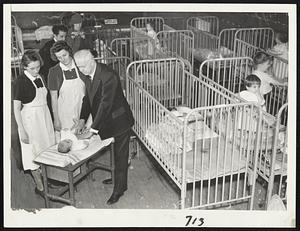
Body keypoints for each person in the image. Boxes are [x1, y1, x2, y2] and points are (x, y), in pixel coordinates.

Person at [72, 49, 134, 205]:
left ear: (93, 61)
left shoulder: (109, 75)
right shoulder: (87, 73)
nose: (81, 70)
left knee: (120, 157)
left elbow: (105, 105)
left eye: (83, 67)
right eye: (78, 67)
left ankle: (119, 190)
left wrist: (92, 130)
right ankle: (117, 179)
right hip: (107, 120)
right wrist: (81, 119)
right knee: (115, 154)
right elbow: (88, 98)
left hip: (119, 120)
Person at [13, 50, 55, 196]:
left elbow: (45, 100)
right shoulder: (20, 81)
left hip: (44, 116)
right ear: (24, 67)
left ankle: (48, 179)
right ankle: (40, 187)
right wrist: (21, 129)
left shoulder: (41, 77)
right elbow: (16, 109)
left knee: (46, 147)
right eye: (32, 68)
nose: (36, 71)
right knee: (32, 152)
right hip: (30, 120)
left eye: (38, 67)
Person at [48, 41, 86, 135]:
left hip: (83, 110)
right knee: (68, 140)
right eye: (59, 57)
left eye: (64, 55)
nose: (63, 59)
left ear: (69, 51)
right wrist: (56, 119)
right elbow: (53, 98)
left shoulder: (80, 65)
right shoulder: (54, 72)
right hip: (65, 114)